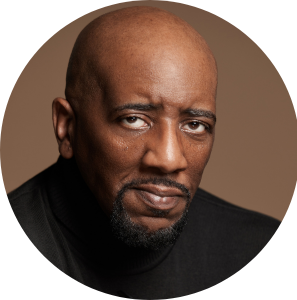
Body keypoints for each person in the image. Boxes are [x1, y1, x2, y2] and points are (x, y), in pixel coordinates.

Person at [8, 6, 280, 299]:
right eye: (134, 119)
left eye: (195, 125)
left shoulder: (267, 254)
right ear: (68, 126)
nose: (169, 159)